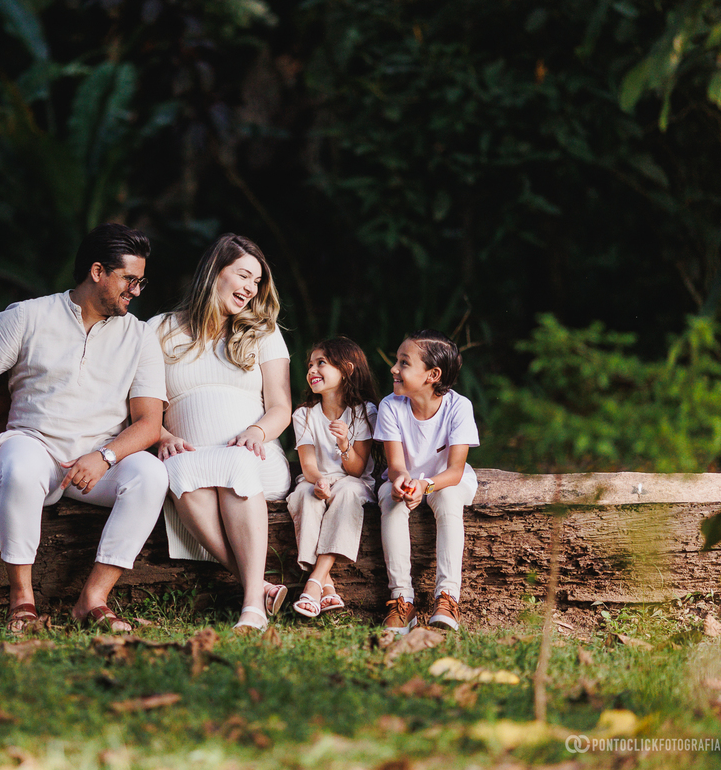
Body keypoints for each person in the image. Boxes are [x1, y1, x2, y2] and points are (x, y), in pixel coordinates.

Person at [0, 223, 168, 633]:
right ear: (98, 271)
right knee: (18, 465)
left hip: (98, 462)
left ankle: (94, 599)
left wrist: (105, 457)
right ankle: (22, 600)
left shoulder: (139, 335)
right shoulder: (27, 316)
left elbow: (150, 423)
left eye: (142, 281)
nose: (137, 291)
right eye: (130, 280)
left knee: (152, 474)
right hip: (35, 445)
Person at [153, 234, 292, 634]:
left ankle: (252, 606)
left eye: (257, 282)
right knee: (178, 472)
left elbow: (281, 406)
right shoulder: (159, 330)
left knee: (234, 462)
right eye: (244, 275)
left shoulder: (263, 332)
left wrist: (256, 431)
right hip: (191, 460)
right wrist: (162, 435)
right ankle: (259, 586)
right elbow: (139, 405)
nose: (251, 288)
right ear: (215, 272)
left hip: (256, 456)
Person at [376, 329, 479, 635]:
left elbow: (455, 471)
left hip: (445, 481)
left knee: (448, 501)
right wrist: (403, 482)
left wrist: (425, 486)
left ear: (432, 375)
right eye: (397, 361)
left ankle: (447, 597)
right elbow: (395, 465)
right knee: (389, 500)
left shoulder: (459, 407)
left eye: (404, 363)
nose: (394, 368)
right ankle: (401, 599)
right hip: (406, 480)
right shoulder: (390, 406)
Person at [286, 337, 379, 618]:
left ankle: (314, 582)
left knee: (347, 491)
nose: (312, 370)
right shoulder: (304, 414)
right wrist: (318, 481)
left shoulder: (364, 412)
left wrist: (344, 445)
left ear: (347, 369)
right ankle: (327, 587)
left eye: (321, 363)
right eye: (310, 364)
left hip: (353, 481)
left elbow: (357, 470)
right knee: (304, 494)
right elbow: (308, 464)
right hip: (317, 479)